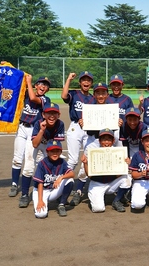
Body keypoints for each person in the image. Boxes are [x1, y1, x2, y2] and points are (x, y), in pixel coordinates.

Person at [17, 103, 66, 208]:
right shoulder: (38, 123)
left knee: (56, 164)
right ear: (43, 114)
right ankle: (25, 195)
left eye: (54, 113)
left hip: (49, 145)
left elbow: (56, 146)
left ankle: (55, 193)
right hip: (36, 142)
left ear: (59, 115)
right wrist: (42, 130)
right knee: (29, 167)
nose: (52, 116)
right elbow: (35, 144)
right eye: (49, 113)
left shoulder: (60, 124)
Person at [9, 75, 51, 198]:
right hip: (22, 127)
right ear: (36, 86)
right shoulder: (26, 93)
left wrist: (28, 81)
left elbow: (33, 98)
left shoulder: (45, 100)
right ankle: (14, 183)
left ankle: (36, 183)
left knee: (30, 159)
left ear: (47, 89)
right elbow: (12, 87)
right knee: (17, 158)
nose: (43, 86)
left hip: (34, 130)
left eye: (46, 85)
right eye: (40, 84)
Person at [61, 71, 94, 202]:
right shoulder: (74, 94)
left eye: (88, 80)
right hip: (75, 127)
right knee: (73, 159)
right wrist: (69, 79)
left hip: (89, 130)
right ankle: (62, 184)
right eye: (84, 80)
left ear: (91, 83)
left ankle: (79, 189)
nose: (86, 82)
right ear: (80, 82)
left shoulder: (93, 98)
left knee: (86, 160)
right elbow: (64, 96)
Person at [82, 128, 131, 213]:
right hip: (97, 184)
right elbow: (89, 175)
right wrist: (85, 163)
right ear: (100, 141)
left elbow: (122, 172)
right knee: (98, 209)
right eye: (104, 140)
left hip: (112, 183)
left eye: (109, 140)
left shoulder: (118, 152)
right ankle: (95, 196)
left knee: (127, 179)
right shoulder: (94, 153)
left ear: (113, 141)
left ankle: (117, 200)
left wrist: (127, 164)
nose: (106, 142)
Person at [32, 140, 74, 218]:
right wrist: (40, 200)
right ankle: (40, 200)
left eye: (57, 151)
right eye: (52, 151)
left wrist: (61, 177)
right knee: (41, 214)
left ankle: (62, 204)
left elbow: (72, 174)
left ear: (60, 152)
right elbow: (40, 183)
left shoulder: (62, 162)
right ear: (47, 152)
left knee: (69, 180)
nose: (55, 153)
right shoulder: (42, 164)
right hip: (41, 191)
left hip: (53, 190)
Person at [106, 74, 134, 146]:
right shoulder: (106, 98)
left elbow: (132, 116)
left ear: (122, 85)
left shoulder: (127, 99)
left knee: (121, 154)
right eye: (113, 84)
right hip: (108, 131)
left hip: (123, 131)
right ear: (110, 86)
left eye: (118, 84)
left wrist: (124, 122)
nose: (116, 87)